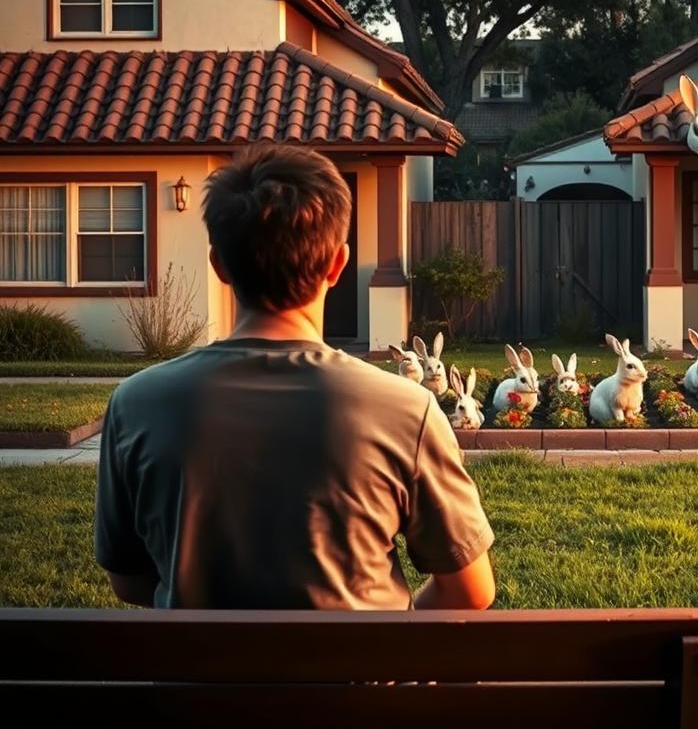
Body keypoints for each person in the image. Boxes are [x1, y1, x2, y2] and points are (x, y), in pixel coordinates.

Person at [95, 144, 495, 610]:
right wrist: (386, 648)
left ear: (219, 265)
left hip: (199, 682)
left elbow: (128, 582)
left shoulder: (137, 403)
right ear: (337, 264)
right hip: (355, 682)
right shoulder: (406, 410)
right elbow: (471, 590)